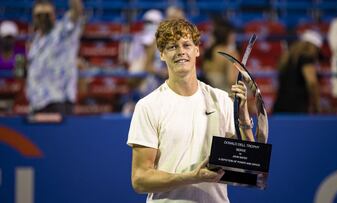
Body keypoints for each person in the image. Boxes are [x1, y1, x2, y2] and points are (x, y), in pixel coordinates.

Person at [127, 19, 254, 202]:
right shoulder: (148, 106)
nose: (181, 52)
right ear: (162, 54)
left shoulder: (222, 100)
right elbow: (140, 179)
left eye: (186, 45)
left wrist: (243, 117)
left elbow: (249, 168)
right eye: (172, 47)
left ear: (197, 50)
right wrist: (193, 177)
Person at [26, 0, 84, 114]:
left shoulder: (62, 32)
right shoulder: (35, 41)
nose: (43, 19)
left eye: (46, 15)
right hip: (36, 103)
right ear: (33, 17)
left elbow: (76, 12)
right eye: (39, 15)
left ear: (53, 15)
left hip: (57, 102)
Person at [273, 30, 323, 114]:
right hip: (297, 107)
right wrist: (316, 105)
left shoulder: (286, 58)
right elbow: (312, 82)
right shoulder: (306, 58)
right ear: (312, 47)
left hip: (280, 105)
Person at [202, 18, 239, 92]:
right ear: (227, 36)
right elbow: (231, 79)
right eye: (232, 34)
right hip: (223, 91)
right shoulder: (231, 53)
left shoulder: (209, 50)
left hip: (206, 90)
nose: (235, 37)